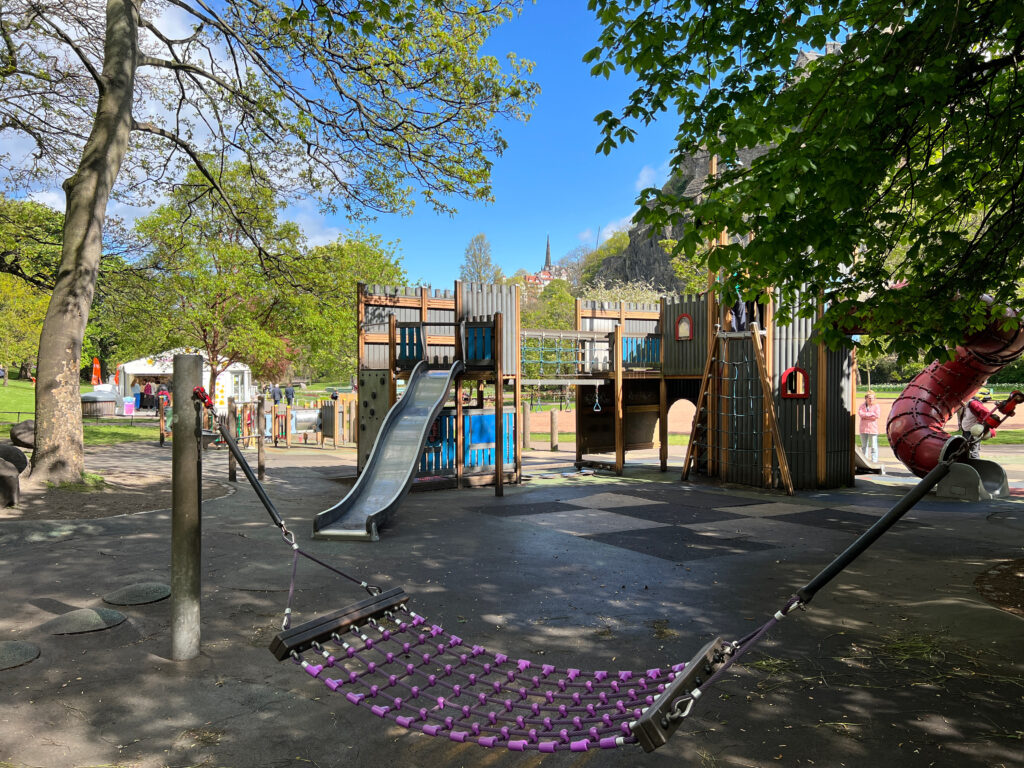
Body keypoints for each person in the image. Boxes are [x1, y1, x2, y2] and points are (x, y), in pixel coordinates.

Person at [959, 388, 997, 459]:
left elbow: (986, 413)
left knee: (973, 452)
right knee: (967, 451)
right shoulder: (965, 405)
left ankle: (976, 468)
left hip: (973, 432)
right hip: (967, 431)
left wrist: (980, 424)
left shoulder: (973, 403)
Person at [858, 390, 881, 463]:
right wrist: (871, 414)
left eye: (872, 398)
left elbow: (877, 415)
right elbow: (861, 414)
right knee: (864, 446)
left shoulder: (876, 406)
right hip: (863, 428)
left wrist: (866, 415)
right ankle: (865, 460)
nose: (871, 399)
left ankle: (874, 460)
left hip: (873, 428)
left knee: (874, 446)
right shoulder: (862, 406)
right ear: (866, 398)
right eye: (869, 398)